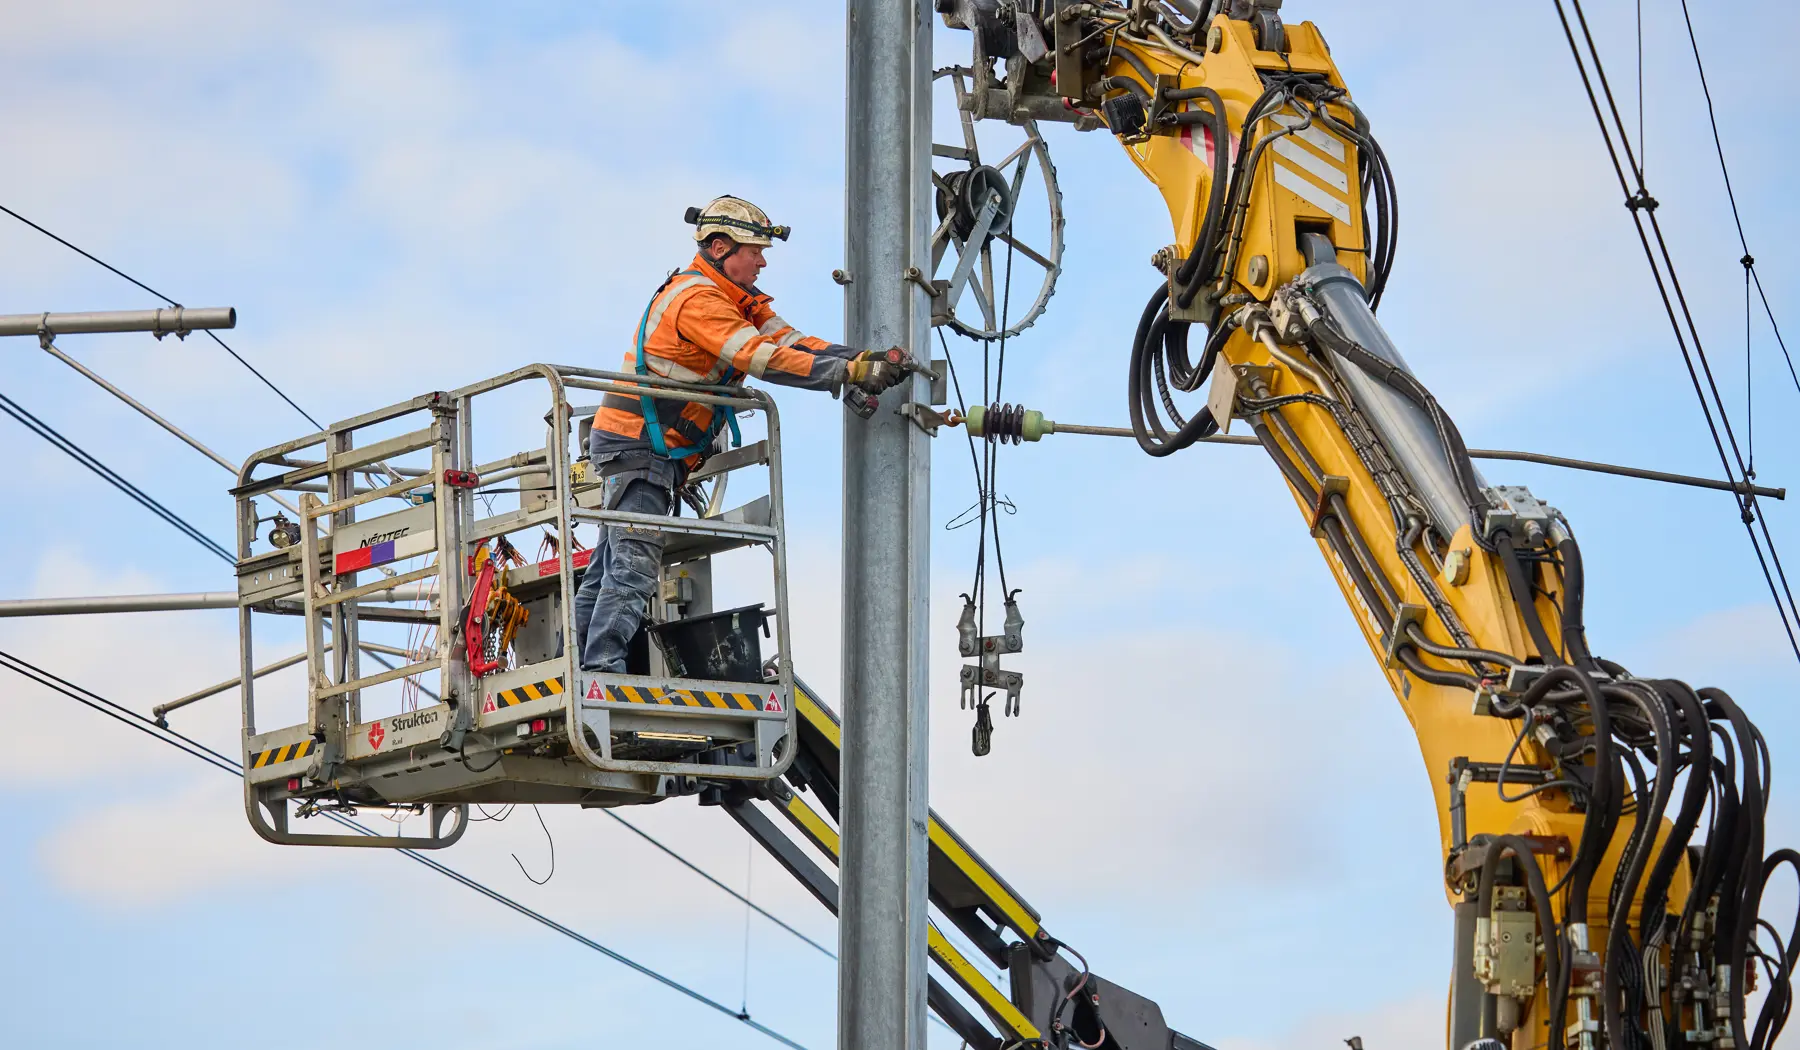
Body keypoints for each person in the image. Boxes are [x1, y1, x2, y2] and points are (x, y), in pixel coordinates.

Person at [572, 195, 910, 674]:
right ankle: (599, 674)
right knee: (631, 567)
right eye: (755, 249)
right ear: (719, 247)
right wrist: (849, 372)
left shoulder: (733, 296)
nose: (763, 259)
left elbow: (791, 344)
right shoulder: (699, 302)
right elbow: (761, 359)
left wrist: (862, 361)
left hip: (641, 448)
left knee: (612, 564)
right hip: (637, 447)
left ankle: (589, 670)